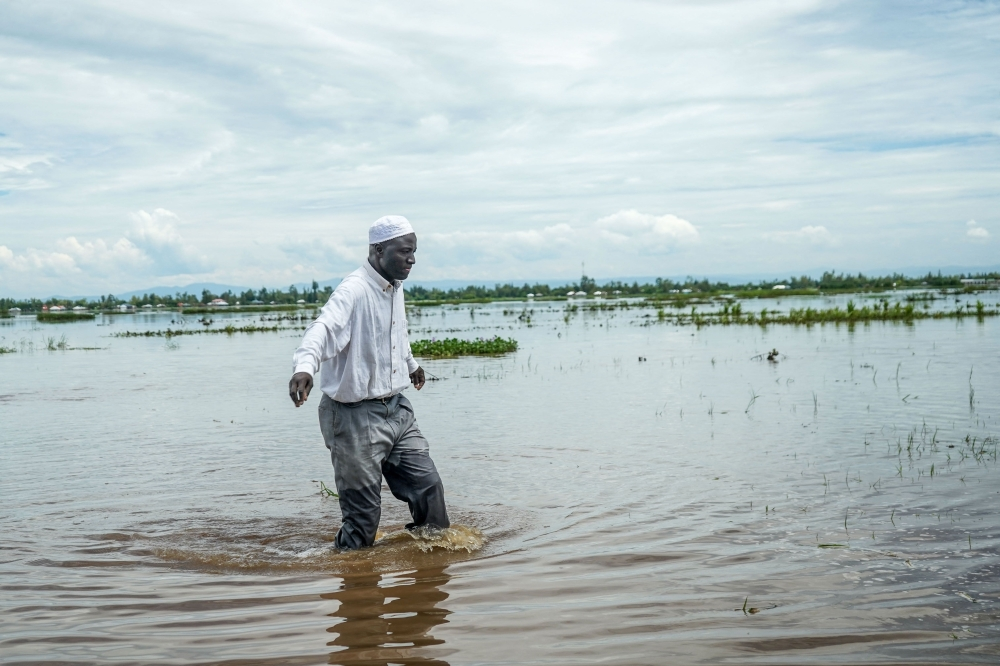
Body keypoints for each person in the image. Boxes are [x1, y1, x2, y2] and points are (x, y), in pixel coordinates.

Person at [288, 215, 449, 550]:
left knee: (428, 488)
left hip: (397, 411)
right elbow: (323, 329)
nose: (412, 260)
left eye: (414, 252)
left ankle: (430, 570)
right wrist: (304, 367)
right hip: (353, 417)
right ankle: (351, 577)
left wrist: (412, 365)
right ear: (378, 250)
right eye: (405, 251)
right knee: (362, 520)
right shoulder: (354, 290)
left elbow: (395, 334)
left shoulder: (394, 288)